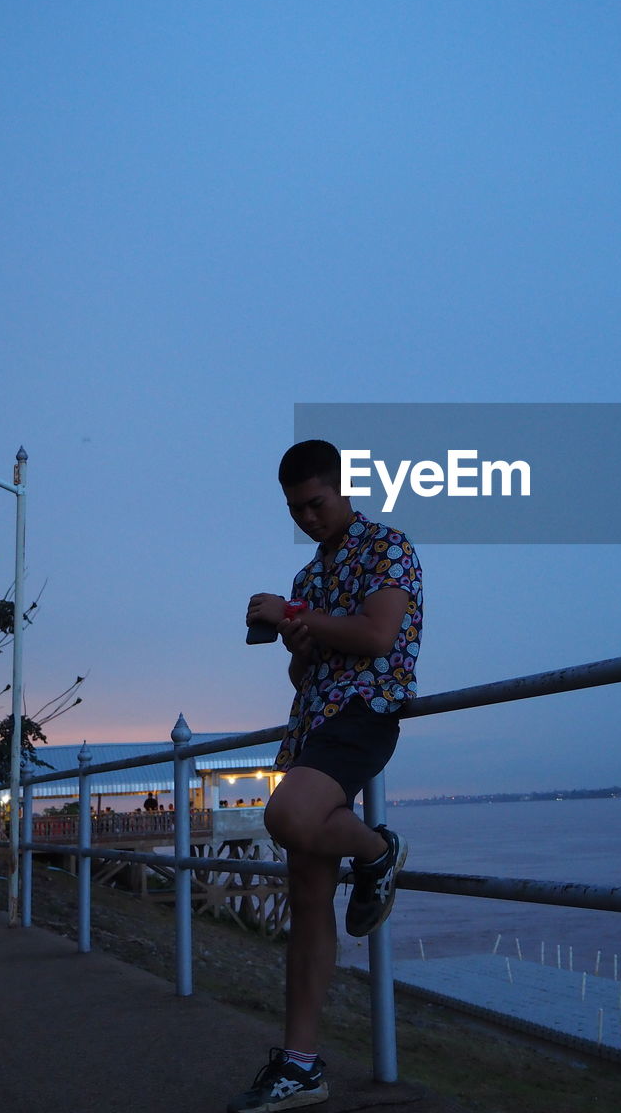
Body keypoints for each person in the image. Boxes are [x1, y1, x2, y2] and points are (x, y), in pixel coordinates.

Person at [228, 439, 422, 1113]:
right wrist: (297, 641)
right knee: (308, 899)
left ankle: (378, 849)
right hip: (312, 722)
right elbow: (306, 673)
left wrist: (297, 617)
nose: (308, 518)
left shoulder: (387, 547)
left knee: (287, 816)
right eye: (296, 510)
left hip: (364, 715)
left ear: (343, 489)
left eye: (316, 503)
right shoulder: (309, 579)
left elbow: (376, 637)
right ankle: (301, 1063)